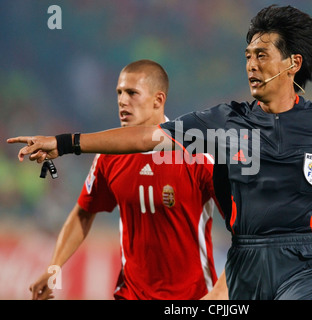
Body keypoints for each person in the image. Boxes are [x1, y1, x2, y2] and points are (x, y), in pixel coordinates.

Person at [9, 5, 312, 300]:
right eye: (247, 56)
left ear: (292, 63)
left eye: (261, 55)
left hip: (306, 260)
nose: (251, 65)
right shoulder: (222, 123)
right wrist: (64, 144)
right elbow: (146, 141)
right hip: (233, 264)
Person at [27, 59, 227, 300]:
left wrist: (221, 291)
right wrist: (54, 267)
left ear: (158, 100)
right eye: (119, 93)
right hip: (130, 295)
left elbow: (245, 231)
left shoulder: (195, 155)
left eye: (132, 93)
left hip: (192, 299)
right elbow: (83, 213)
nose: (122, 101)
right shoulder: (108, 157)